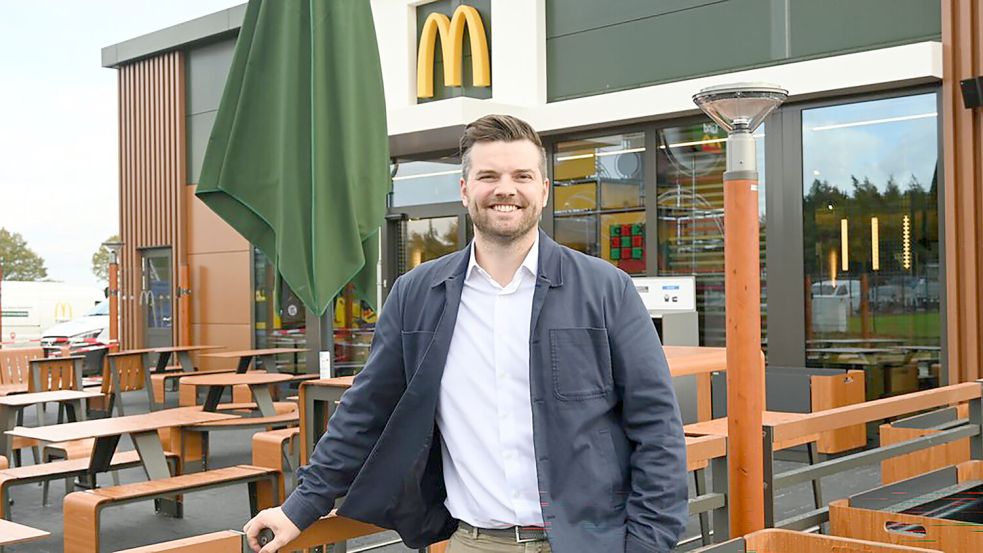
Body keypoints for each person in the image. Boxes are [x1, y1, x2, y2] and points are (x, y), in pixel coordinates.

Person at [244, 114, 688, 553]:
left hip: (591, 541)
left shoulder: (606, 289)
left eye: (522, 175)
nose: (505, 189)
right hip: (475, 542)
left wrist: (648, 544)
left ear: (544, 190)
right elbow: (364, 411)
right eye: (488, 175)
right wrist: (299, 507)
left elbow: (657, 427)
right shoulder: (415, 295)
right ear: (464, 190)